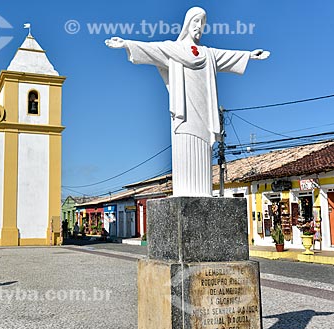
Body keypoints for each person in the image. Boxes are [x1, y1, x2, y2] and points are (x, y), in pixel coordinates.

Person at [105, 6, 269, 197]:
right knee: (185, 144)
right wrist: (126, 44)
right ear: (187, 24)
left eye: (202, 23)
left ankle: (202, 193)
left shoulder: (208, 54)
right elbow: (150, 48)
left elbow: (228, 56)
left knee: (204, 148)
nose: (199, 26)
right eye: (195, 21)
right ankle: (185, 192)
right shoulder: (173, 49)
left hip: (205, 112)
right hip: (184, 112)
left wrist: (249, 55)